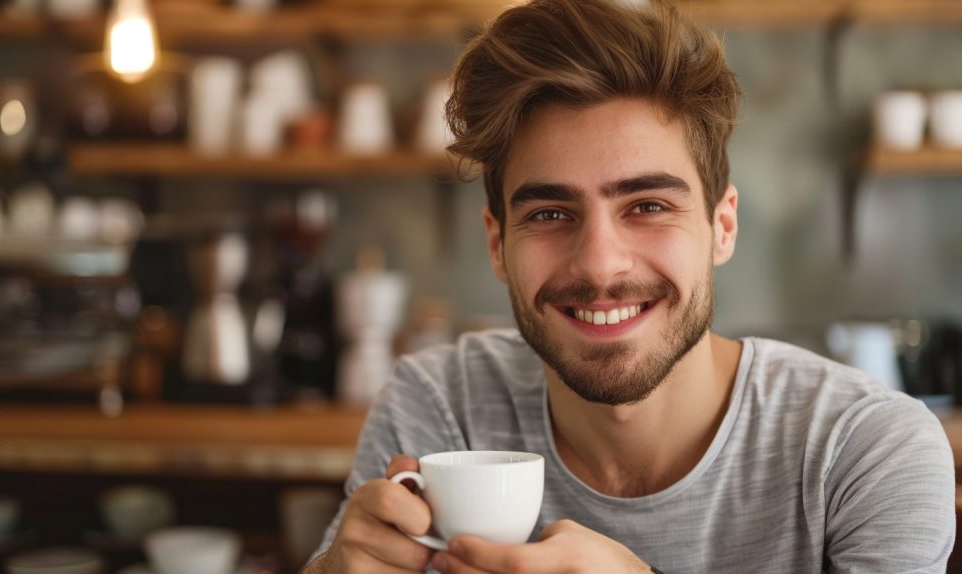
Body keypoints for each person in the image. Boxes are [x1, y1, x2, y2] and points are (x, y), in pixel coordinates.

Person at [303, 0, 956, 572]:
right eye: (550, 214)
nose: (600, 266)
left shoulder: (865, 451)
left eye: (647, 205)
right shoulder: (440, 408)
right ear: (498, 245)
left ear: (722, 226)